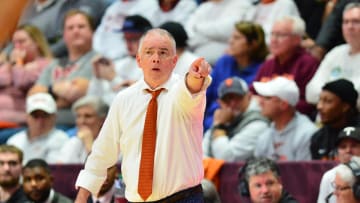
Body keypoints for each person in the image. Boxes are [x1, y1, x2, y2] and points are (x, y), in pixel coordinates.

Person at [74, 28, 212, 202]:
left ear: (174, 61)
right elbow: (103, 151)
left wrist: (197, 76)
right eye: (149, 52)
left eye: (163, 53)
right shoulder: (124, 99)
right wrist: (82, 195)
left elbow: (191, 90)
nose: (156, 58)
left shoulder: (182, 92)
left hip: (184, 198)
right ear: (139, 60)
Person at [29, 9, 98, 128]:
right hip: (45, 125)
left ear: (92, 31)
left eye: (81, 27)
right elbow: (33, 95)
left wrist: (47, 93)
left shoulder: (97, 61)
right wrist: (57, 91)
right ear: (64, 35)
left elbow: (76, 92)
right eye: (70, 28)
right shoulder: (53, 64)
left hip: (76, 125)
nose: (76, 31)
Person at [251, 15, 319, 119]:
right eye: (272, 34)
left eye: (280, 35)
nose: (273, 40)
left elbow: (309, 103)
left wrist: (276, 105)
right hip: (262, 116)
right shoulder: (268, 64)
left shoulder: (308, 63)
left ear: (296, 39)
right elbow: (251, 93)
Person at [204, 21, 268, 130]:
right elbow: (206, 94)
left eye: (237, 38)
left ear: (253, 44)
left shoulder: (263, 69)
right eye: (231, 37)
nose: (230, 42)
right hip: (211, 117)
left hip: (243, 123)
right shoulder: (224, 61)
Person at [0, 24, 53, 143]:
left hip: (18, 122)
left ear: (37, 43)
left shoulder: (45, 65)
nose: (17, 47)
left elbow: (21, 82)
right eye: (14, 43)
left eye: (22, 42)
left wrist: (17, 64)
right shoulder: (9, 64)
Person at [87, 15, 151, 105]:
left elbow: (137, 103)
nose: (128, 44)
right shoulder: (118, 64)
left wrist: (113, 78)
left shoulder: (154, 67)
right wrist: (97, 78)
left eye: (134, 39)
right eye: (126, 38)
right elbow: (92, 99)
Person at [306, 2, 360, 110]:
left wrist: (327, 97)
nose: (349, 27)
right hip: (325, 121)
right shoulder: (336, 52)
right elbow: (310, 93)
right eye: (345, 22)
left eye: (356, 22)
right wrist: (339, 99)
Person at [203, 76, 269, 162]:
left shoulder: (258, 123)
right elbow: (202, 153)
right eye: (227, 99)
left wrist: (219, 127)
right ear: (220, 102)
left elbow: (226, 157)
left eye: (238, 98)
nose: (232, 103)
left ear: (249, 96)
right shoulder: (224, 119)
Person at [253, 77, 317, 161]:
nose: (260, 102)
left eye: (267, 98)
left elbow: (304, 173)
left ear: (283, 104)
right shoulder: (264, 135)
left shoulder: (306, 133)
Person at [7, 93, 69, 164]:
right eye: (35, 116)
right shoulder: (14, 141)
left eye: (45, 115)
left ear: (54, 117)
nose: (40, 121)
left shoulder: (62, 140)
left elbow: (54, 170)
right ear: (27, 117)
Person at [185, 0, 253, 64]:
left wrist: (197, 27)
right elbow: (188, 27)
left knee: (196, 60)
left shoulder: (241, 4)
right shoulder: (206, 5)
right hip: (194, 43)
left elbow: (227, 30)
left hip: (221, 46)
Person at [311, 79, 360, 160]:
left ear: (345, 106)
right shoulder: (318, 138)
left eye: (328, 101)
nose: (319, 106)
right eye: (320, 100)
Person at [58, 96, 109, 163]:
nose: (81, 121)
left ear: (102, 120)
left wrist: (89, 145)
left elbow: (107, 170)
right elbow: (59, 169)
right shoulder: (74, 141)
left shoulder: (113, 142)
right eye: (78, 116)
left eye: (88, 116)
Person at [317, 126, 360, 203]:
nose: (348, 150)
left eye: (354, 146)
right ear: (337, 153)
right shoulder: (328, 176)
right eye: (343, 147)